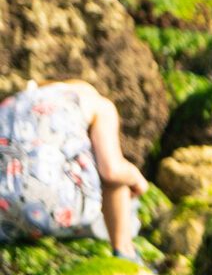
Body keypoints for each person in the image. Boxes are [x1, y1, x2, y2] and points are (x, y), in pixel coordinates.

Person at [0, 81, 148, 261]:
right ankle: (125, 251)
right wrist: (136, 178)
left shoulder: (14, 101)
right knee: (111, 168)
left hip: (3, 216)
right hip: (56, 210)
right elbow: (111, 171)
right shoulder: (98, 104)